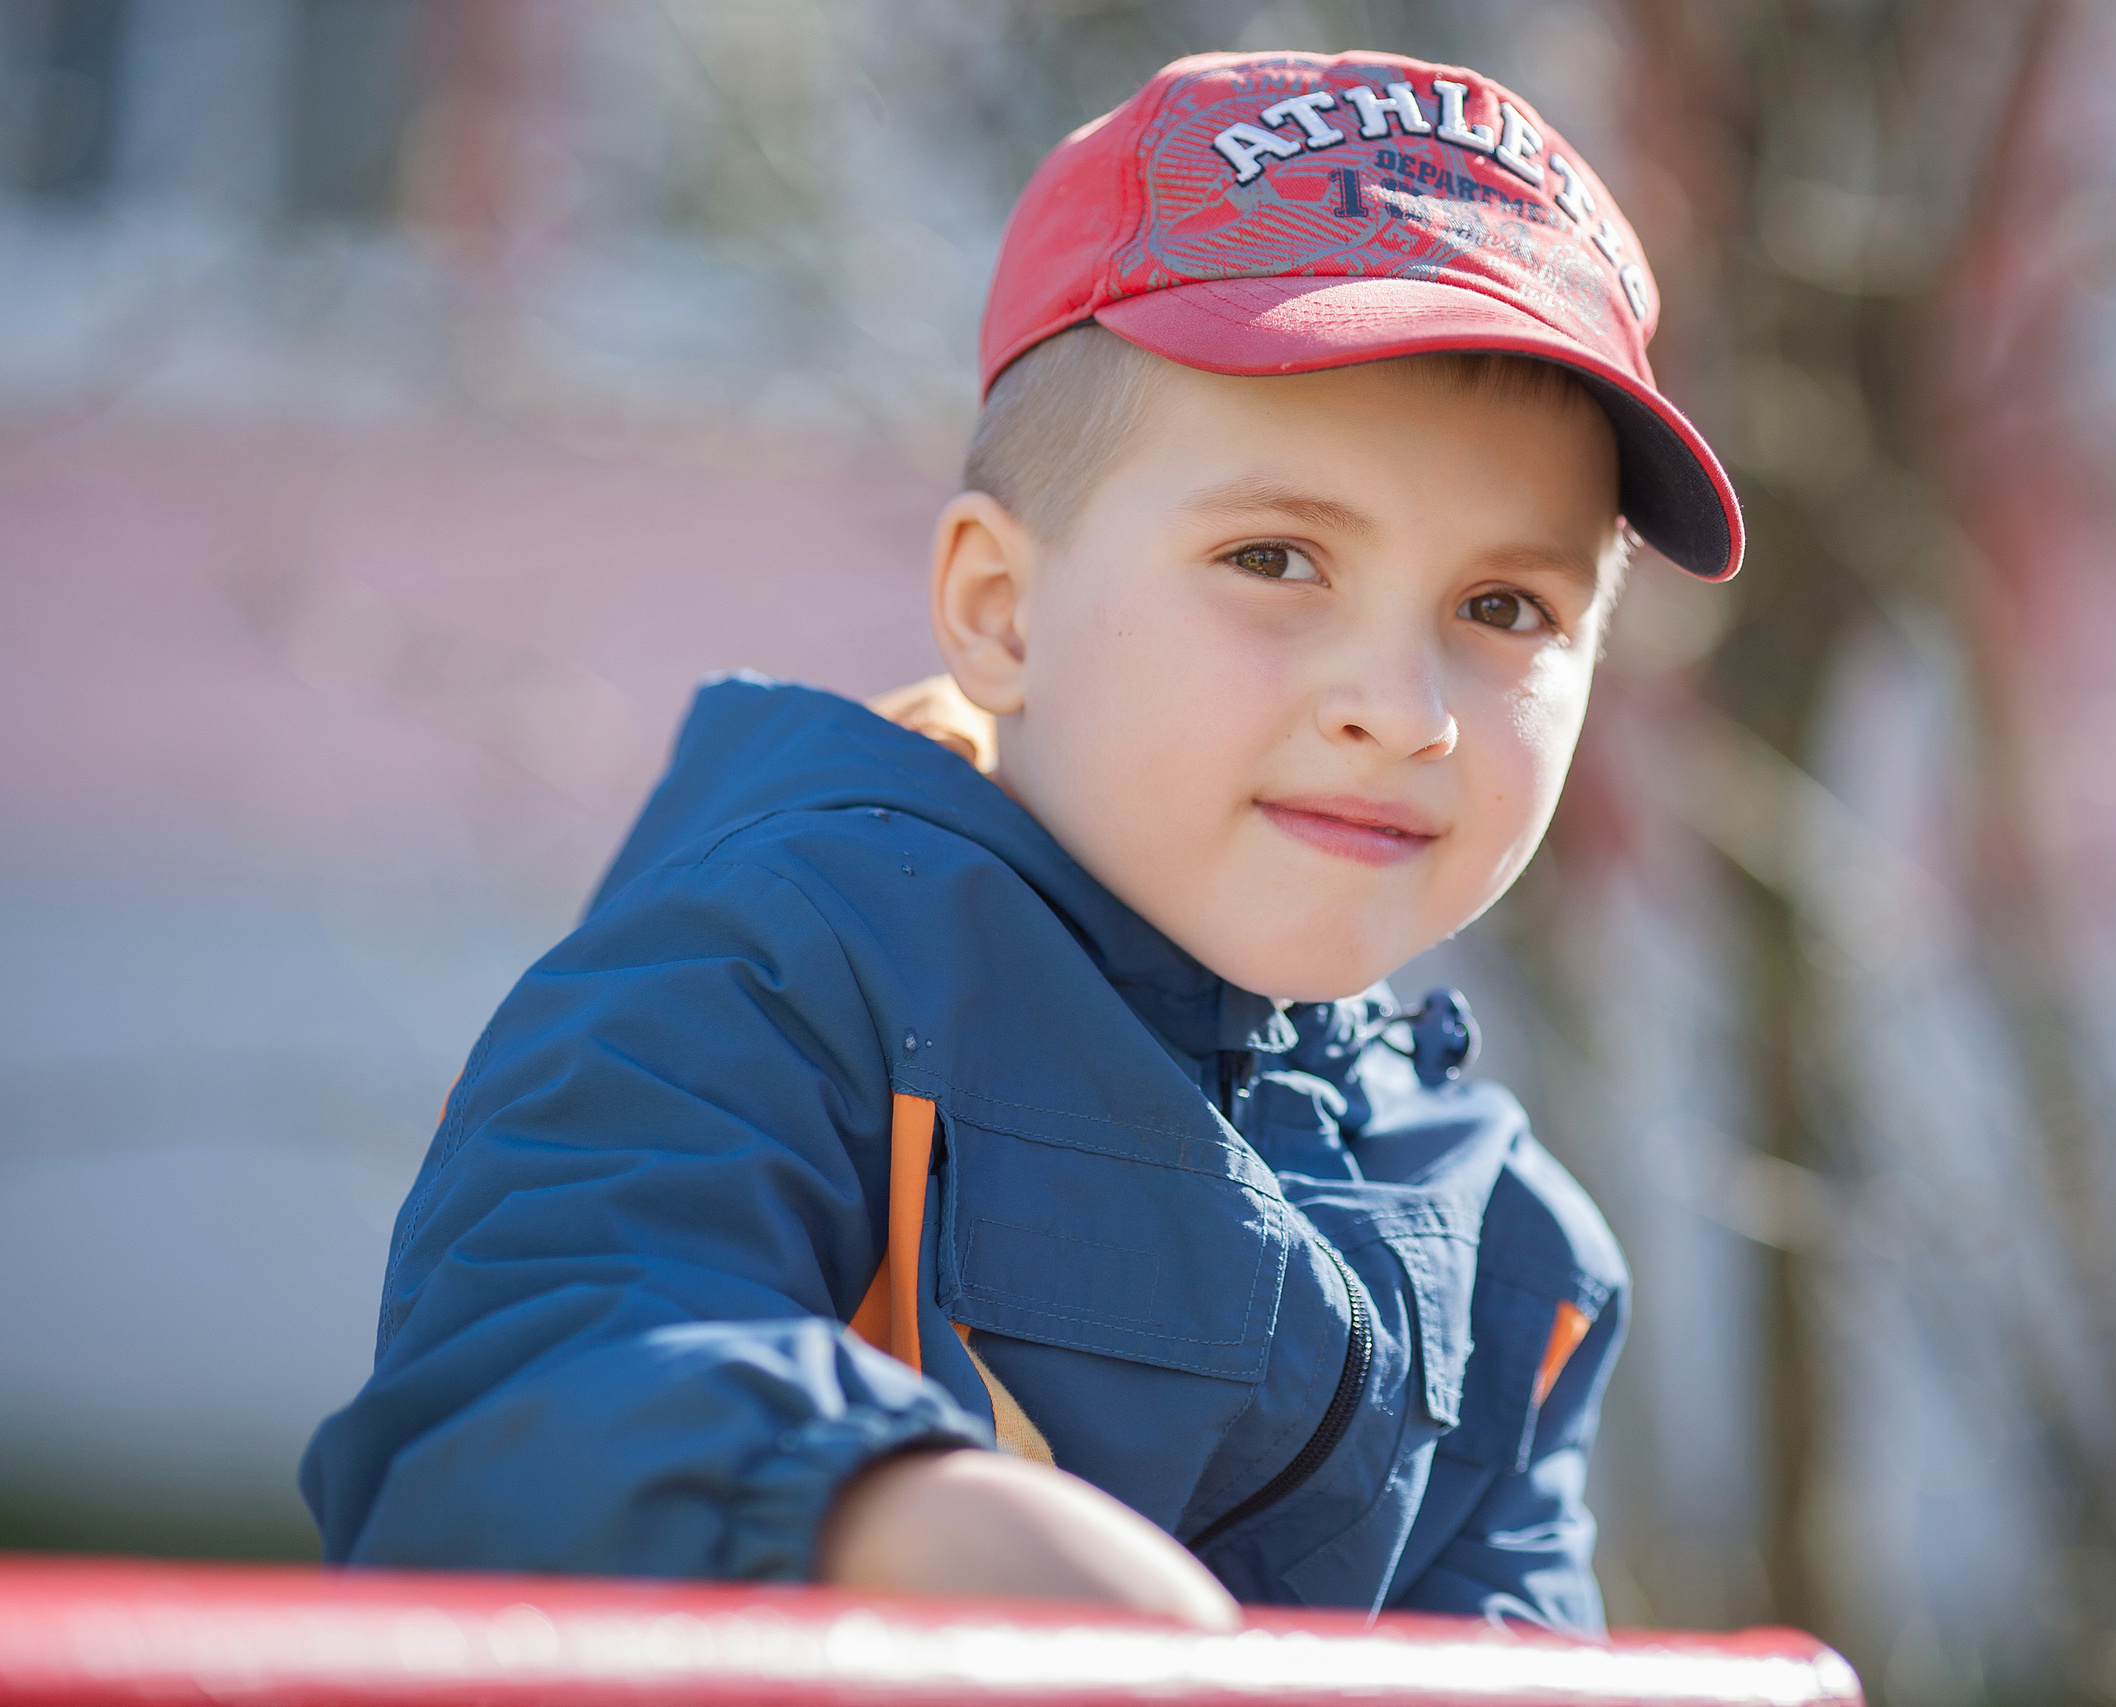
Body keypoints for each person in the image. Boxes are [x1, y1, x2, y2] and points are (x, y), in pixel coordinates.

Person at [300, 48, 1741, 1635]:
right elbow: (509, 1395)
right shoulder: (778, 976)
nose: (1402, 709)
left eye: (1501, 609)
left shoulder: (1512, 1245)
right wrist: (870, 1500)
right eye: (1276, 557)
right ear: (1002, 610)